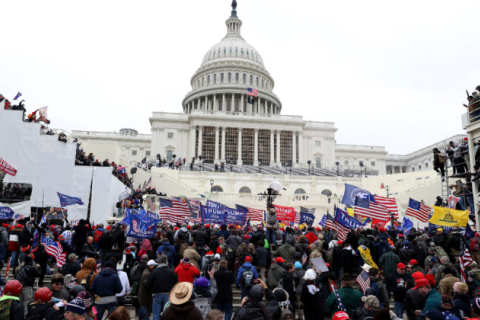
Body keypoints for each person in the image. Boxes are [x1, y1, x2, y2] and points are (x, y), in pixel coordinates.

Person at [146, 254, 178, 320]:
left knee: (156, 314)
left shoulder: (154, 272)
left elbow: (148, 284)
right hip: (168, 295)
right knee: (167, 314)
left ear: (159, 262)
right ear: (166, 262)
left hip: (157, 294)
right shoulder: (171, 271)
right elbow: (176, 283)